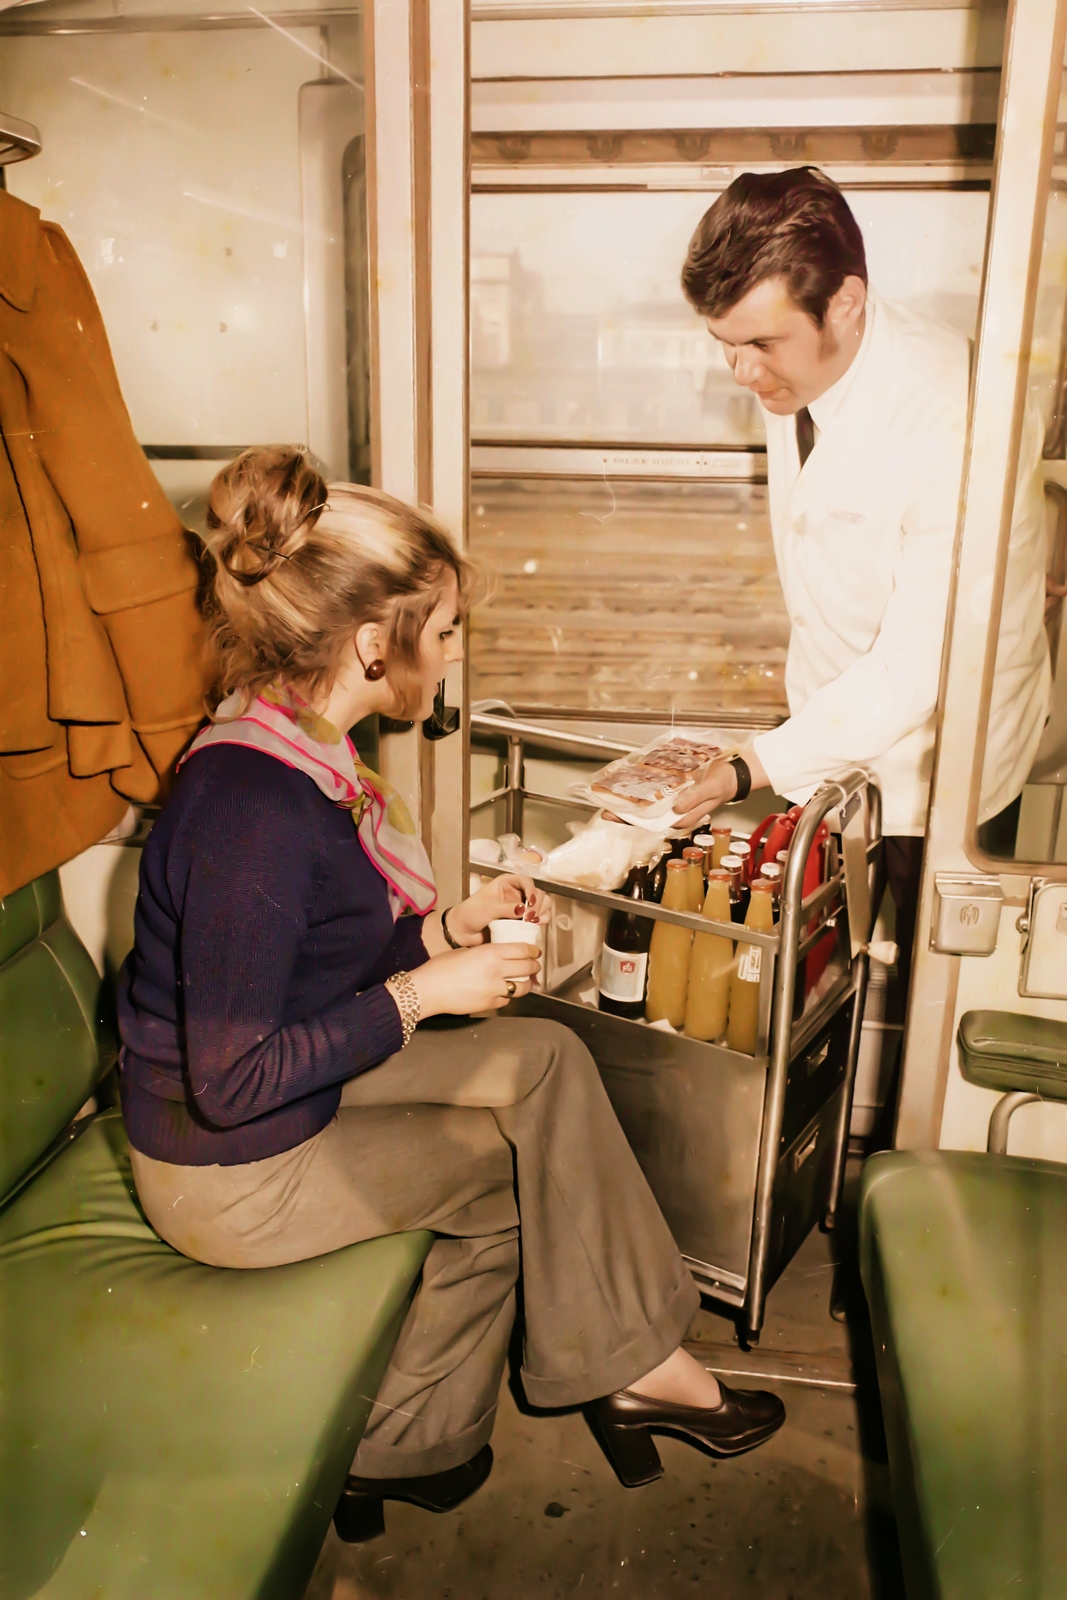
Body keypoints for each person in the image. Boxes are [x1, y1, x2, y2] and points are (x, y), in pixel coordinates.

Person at [116, 445, 784, 1539]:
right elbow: (234, 1080)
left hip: (273, 1095)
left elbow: (310, 964)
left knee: (547, 1059)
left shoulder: (298, 742)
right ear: (378, 641)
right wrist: (426, 990)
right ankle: (419, 1437)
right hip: (225, 1167)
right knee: (518, 1182)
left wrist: (439, 929)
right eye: (448, 627)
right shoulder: (252, 811)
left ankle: (629, 1364)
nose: (456, 648)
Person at [674, 166, 1050, 1036]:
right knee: (816, 990)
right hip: (836, 738)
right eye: (721, 342)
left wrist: (745, 767)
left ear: (844, 305)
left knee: (924, 1009)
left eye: (758, 344)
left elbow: (919, 664)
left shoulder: (956, 416)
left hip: (943, 762)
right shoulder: (793, 365)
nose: (738, 371)